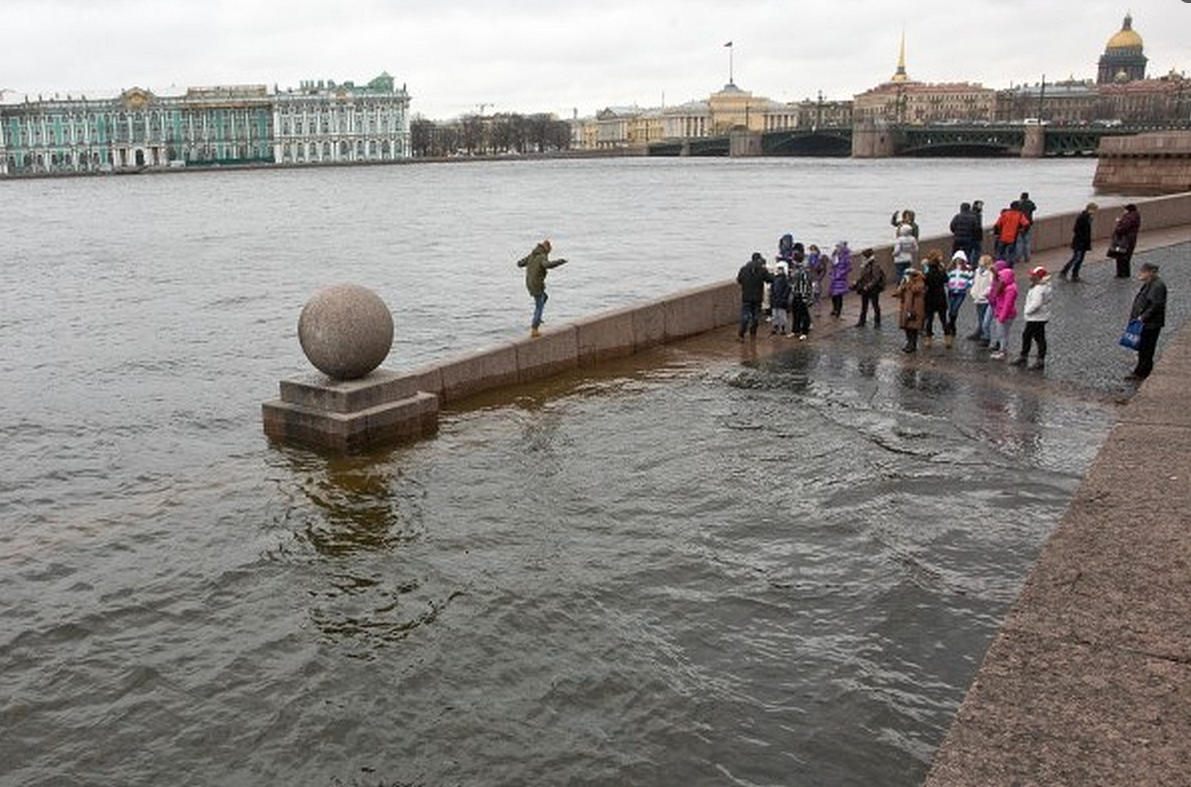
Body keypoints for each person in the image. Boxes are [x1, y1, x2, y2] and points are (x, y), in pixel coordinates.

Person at [517, 239, 568, 338]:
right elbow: (547, 265)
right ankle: (534, 328)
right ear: (547, 249)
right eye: (549, 250)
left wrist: (524, 263)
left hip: (529, 283)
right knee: (539, 306)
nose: (549, 252)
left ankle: (537, 318)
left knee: (544, 297)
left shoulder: (532, 255)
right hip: (537, 285)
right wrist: (560, 261)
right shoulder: (542, 256)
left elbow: (520, 263)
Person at [1126, 262, 1167, 380]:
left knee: (1147, 348)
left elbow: (1156, 305)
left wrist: (1142, 317)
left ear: (1150, 273)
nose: (1140, 274)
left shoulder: (1157, 286)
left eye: (1143, 272)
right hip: (1147, 323)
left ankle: (1142, 372)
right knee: (1143, 348)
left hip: (1150, 324)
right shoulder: (1150, 283)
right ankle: (1140, 370)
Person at [1010, 266, 1052, 370]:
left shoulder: (1039, 288)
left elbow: (1036, 303)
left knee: (1028, 336)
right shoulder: (1044, 286)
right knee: (1038, 337)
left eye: (1033, 275)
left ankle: (1026, 356)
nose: (1031, 276)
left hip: (1036, 317)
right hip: (1040, 316)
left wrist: (1027, 311)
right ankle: (1037, 358)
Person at [737, 251, 773, 340]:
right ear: (759, 259)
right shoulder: (762, 270)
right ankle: (753, 332)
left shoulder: (743, 269)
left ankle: (741, 333)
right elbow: (770, 279)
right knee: (756, 315)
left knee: (745, 315)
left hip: (746, 296)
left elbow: (739, 280)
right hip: (757, 297)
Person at [1060, 202, 1097, 281]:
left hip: (1083, 243)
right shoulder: (1082, 217)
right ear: (1090, 209)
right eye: (1094, 210)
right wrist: (1083, 239)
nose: (1095, 212)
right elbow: (1076, 229)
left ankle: (1075, 275)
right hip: (1079, 243)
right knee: (1076, 258)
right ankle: (1064, 272)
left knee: (1079, 259)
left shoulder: (1087, 217)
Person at [944, 250, 974, 349]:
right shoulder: (951, 269)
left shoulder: (968, 269)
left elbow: (971, 279)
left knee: (955, 308)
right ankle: (952, 325)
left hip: (961, 292)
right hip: (952, 291)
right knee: (951, 309)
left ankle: (951, 324)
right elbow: (946, 278)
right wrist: (948, 285)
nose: (958, 261)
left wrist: (966, 285)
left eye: (960, 259)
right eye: (957, 259)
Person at [989, 263, 1019, 361]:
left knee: (1003, 334)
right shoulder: (1006, 287)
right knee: (1001, 333)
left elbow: (1008, 304)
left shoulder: (1010, 289)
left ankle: (1002, 351)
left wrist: (1002, 316)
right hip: (1001, 312)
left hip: (1005, 314)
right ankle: (1002, 350)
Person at [852, 248, 886, 328]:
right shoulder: (864, 265)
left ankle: (877, 322)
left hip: (873, 289)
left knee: (875, 305)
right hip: (865, 288)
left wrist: (868, 286)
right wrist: (857, 282)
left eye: (863, 257)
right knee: (864, 305)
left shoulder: (874, 265)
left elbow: (876, 278)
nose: (862, 258)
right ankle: (862, 322)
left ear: (866, 257)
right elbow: (863, 277)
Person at [921, 250, 948, 348]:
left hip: (930, 297)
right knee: (943, 319)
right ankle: (947, 339)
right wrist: (943, 269)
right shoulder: (941, 272)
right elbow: (946, 279)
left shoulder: (928, 273)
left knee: (929, 320)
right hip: (941, 296)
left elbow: (925, 283)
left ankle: (928, 340)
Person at [896, 268, 926, 353]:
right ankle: (909, 343)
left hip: (915, 307)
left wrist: (909, 283)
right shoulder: (905, 282)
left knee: (913, 327)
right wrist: (902, 286)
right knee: (907, 327)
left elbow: (916, 289)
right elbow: (898, 293)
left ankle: (912, 344)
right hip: (906, 307)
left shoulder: (920, 281)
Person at [967, 255, 996, 344]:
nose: (980, 262)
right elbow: (975, 282)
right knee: (980, 317)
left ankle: (985, 336)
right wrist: (973, 292)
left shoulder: (990, 273)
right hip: (977, 297)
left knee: (985, 319)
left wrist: (985, 294)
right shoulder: (977, 271)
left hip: (985, 299)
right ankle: (980, 332)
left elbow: (992, 285)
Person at [1109, 203, 1142, 279]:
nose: (1123, 211)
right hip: (1131, 239)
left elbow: (1123, 228)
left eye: (1125, 210)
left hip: (1124, 240)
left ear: (1128, 210)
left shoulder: (1128, 217)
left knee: (1120, 256)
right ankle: (1126, 273)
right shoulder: (1136, 216)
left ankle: (1120, 274)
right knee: (1127, 257)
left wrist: (1118, 225)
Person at [789, 254, 814, 340]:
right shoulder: (795, 269)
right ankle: (795, 330)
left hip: (801, 295)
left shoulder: (804, 271)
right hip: (795, 294)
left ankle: (804, 332)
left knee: (804, 314)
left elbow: (806, 285)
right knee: (795, 313)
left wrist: (805, 297)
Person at [828, 241, 852, 318]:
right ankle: (834, 309)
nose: (837, 248)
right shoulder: (835, 255)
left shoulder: (846, 256)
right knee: (833, 295)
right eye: (837, 247)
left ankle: (838, 310)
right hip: (834, 278)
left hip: (840, 278)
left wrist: (840, 274)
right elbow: (833, 264)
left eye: (838, 247)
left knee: (839, 295)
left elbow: (849, 268)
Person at [769, 261, 792, 336]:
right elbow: (772, 289)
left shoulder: (785, 279)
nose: (778, 271)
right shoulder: (775, 278)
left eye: (780, 269)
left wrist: (783, 298)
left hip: (781, 300)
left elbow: (787, 290)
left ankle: (782, 328)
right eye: (778, 269)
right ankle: (775, 327)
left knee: (781, 315)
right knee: (775, 314)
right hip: (775, 299)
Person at [1017, 191, 1037, 262]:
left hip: (1020, 225)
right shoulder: (1030, 203)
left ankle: (1018, 257)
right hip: (1028, 224)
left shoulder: (1019, 204)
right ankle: (1027, 257)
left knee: (1019, 242)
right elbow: (1034, 208)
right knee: (1027, 241)